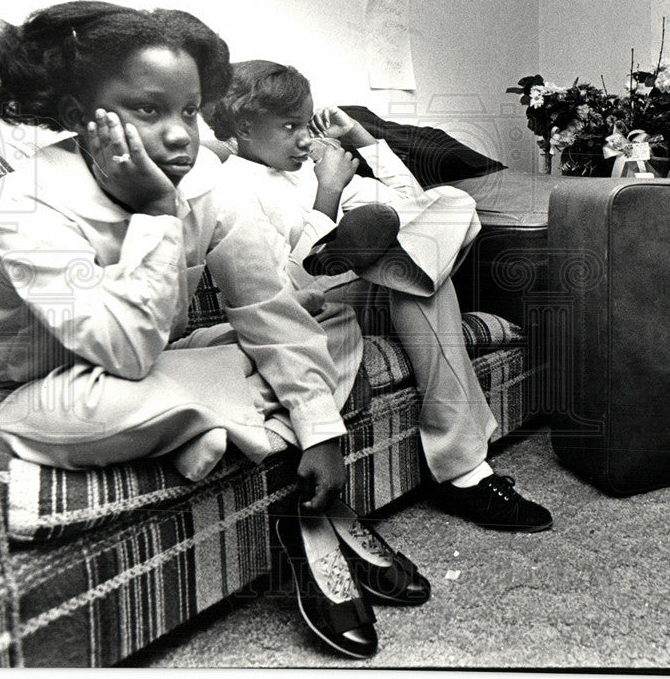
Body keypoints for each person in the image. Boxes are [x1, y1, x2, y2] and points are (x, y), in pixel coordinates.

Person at [0, 1, 430, 660]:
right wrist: (158, 210)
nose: (179, 135)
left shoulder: (210, 177)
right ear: (80, 118)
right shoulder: (25, 202)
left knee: (328, 323)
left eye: (189, 110)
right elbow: (128, 356)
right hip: (54, 399)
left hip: (175, 373)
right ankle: (217, 433)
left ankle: (214, 434)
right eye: (146, 109)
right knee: (129, 393)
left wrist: (321, 429)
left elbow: (266, 304)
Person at [203, 61, 553, 533]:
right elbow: (279, 295)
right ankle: (463, 471)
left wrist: (364, 141)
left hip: (370, 281)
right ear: (243, 129)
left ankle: (351, 254)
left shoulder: (311, 167)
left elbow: (410, 203)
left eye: (307, 125)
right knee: (417, 277)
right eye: (289, 127)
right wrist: (329, 194)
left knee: (450, 206)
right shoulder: (231, 188)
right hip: (315, 309)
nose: (306, 140)